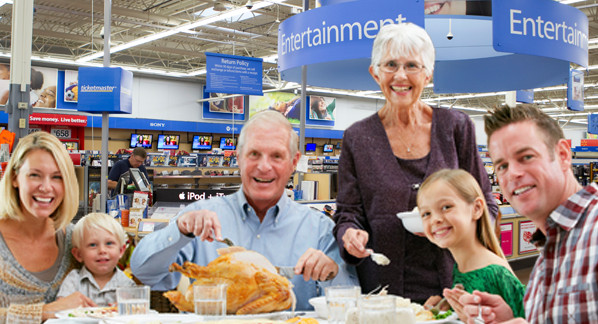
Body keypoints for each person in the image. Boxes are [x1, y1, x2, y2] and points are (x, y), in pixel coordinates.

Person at [333, 23, 497, 304]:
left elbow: (486, 205)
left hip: (456, 290)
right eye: (391, 65)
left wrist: (458, 227)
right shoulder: (357, 138)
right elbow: (348, 212)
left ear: (428, 74)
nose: (400, 75)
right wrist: (349, 234)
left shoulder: (455, 127)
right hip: (381, 294)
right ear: (375, 73)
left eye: (412, 65)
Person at [130, 110, 356, 310]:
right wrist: (179, 231)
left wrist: (333, 274)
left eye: (276, 156)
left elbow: (351, 304)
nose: (264, 166)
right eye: (254, 154)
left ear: (294, 162)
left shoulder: (320, 230)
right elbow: (143, 273)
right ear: (238, 158)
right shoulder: (198, 217)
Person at [456, 105, 598, 323]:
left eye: (526, 157)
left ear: (562, 155)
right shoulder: (553, 245)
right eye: (502, 166)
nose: (512, 173)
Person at [0, 131, 95, 323]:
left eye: (57, 177)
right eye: (35, 175)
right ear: (14, 178)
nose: (46, 187)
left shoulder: (75, 240)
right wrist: (45, 311)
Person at [417, 169, 525, 320]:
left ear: (476, 208)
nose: (435, 219)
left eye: (446, 207)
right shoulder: (461, 266)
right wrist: (441, 310)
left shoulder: (495, 274)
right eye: (426, 214)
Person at [57, 213, 136, 306]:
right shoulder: (74, 280)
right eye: (93, 245)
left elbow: (136, 314)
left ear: (121, 250)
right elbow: (60, 307)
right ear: (79, 254)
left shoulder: (127, 284)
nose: (102, 251)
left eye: (109, 243)